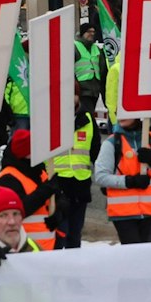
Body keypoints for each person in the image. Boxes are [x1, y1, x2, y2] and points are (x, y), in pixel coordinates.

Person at [94, 118, 151, 244]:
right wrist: (130, 182)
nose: (121, 117)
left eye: (127, 113)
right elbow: (101, 177)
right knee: (133, 253)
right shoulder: (112, 142)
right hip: (123, 213)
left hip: (149, 210)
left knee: (142, 254)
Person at [0, 129, 57, 251]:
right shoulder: (8, 179)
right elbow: (20, 208)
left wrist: (59, 212)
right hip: (22, 247)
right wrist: (46, 190)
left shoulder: (40, 172)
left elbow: (52, 201)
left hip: (47, 245)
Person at [53, 96, 98, 248]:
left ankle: (73, 268)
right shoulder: (50, 117)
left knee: (75, 234)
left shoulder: (87, 118)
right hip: (57, 184)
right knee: (59, 234)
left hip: (80, 183)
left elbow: (96, 150)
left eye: (73, 93)